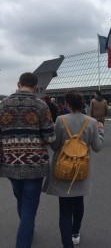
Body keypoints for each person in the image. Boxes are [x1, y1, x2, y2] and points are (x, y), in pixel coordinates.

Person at [0, 72, 56, 248]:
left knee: (21, 200)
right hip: (34, 164)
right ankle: (25, 234)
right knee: (29, 207)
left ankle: (26, 227)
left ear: (18, 84)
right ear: (35, 86)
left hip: (10, 162)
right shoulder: (41, 105)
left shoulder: (3, 105)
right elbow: (50, 137)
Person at [42, 91, 104, 248]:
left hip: (63, 168)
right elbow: (97, 147)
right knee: (79, 202)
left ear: (67, 104)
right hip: (82, 169)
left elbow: (54, 146)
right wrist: (101, 131)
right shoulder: (91, 122)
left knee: (64, 209)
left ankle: (67, 244)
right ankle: (75, 233)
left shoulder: (60, 120)